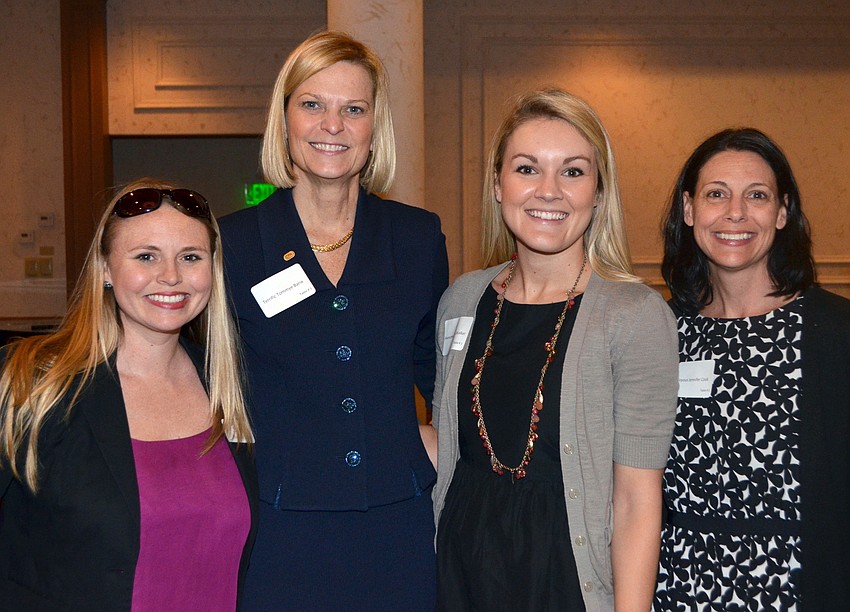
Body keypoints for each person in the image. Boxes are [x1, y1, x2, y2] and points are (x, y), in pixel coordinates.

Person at [218, 31, 448, 610]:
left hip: (399, 525)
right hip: (279, 525)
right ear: (285, 119)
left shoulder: (418, 238)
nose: (332, 125)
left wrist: (441, 439)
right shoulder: (235, 244)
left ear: (375, 127)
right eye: (313, 104)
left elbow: (443, 375)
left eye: (354, 109)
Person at [431, 88, 679, 611]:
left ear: (598, 191)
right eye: (526, 169)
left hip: (564, 580)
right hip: (462, 574)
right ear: (497, 185)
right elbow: (453, 442)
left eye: (572, 171)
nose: (549, 191)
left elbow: (637, 501)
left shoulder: (634, 316)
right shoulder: (461, 299)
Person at [0, 179, 257, 610]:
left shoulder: (234, 390)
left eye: (190, 257)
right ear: (105, 267)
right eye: (146, 256)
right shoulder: (32, 383)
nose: (171, 276)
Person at [655, 128, 850, 610]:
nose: (735, 213)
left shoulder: (836, 333)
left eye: (756, 196)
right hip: (677, 588)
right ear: (688, 209)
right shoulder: (658, 334)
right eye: (716, 194)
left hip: (798, 588)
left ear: (782, 212)